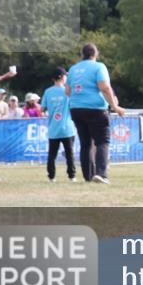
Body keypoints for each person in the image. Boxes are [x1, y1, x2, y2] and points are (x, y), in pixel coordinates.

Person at [67, 43, 125, 184]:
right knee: (102, 142)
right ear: (95, 54)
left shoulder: (73, 69)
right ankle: (101, 174)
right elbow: (104, 87)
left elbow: (68, 91)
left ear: (82, 54)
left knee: (85, 144)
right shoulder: (99, 67)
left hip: (76, 109)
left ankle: (88, 176)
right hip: (96, 109)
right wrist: (115, 106)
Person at [41, 67, 77, 182]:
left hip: (53, 128)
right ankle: (72, 176)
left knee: (52, 155)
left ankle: (51, 177)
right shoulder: (68, 91)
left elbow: (42, 109)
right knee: (69, 154)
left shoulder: (47, 91)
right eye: (65, 75)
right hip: (67, 127)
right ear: (61, 77)